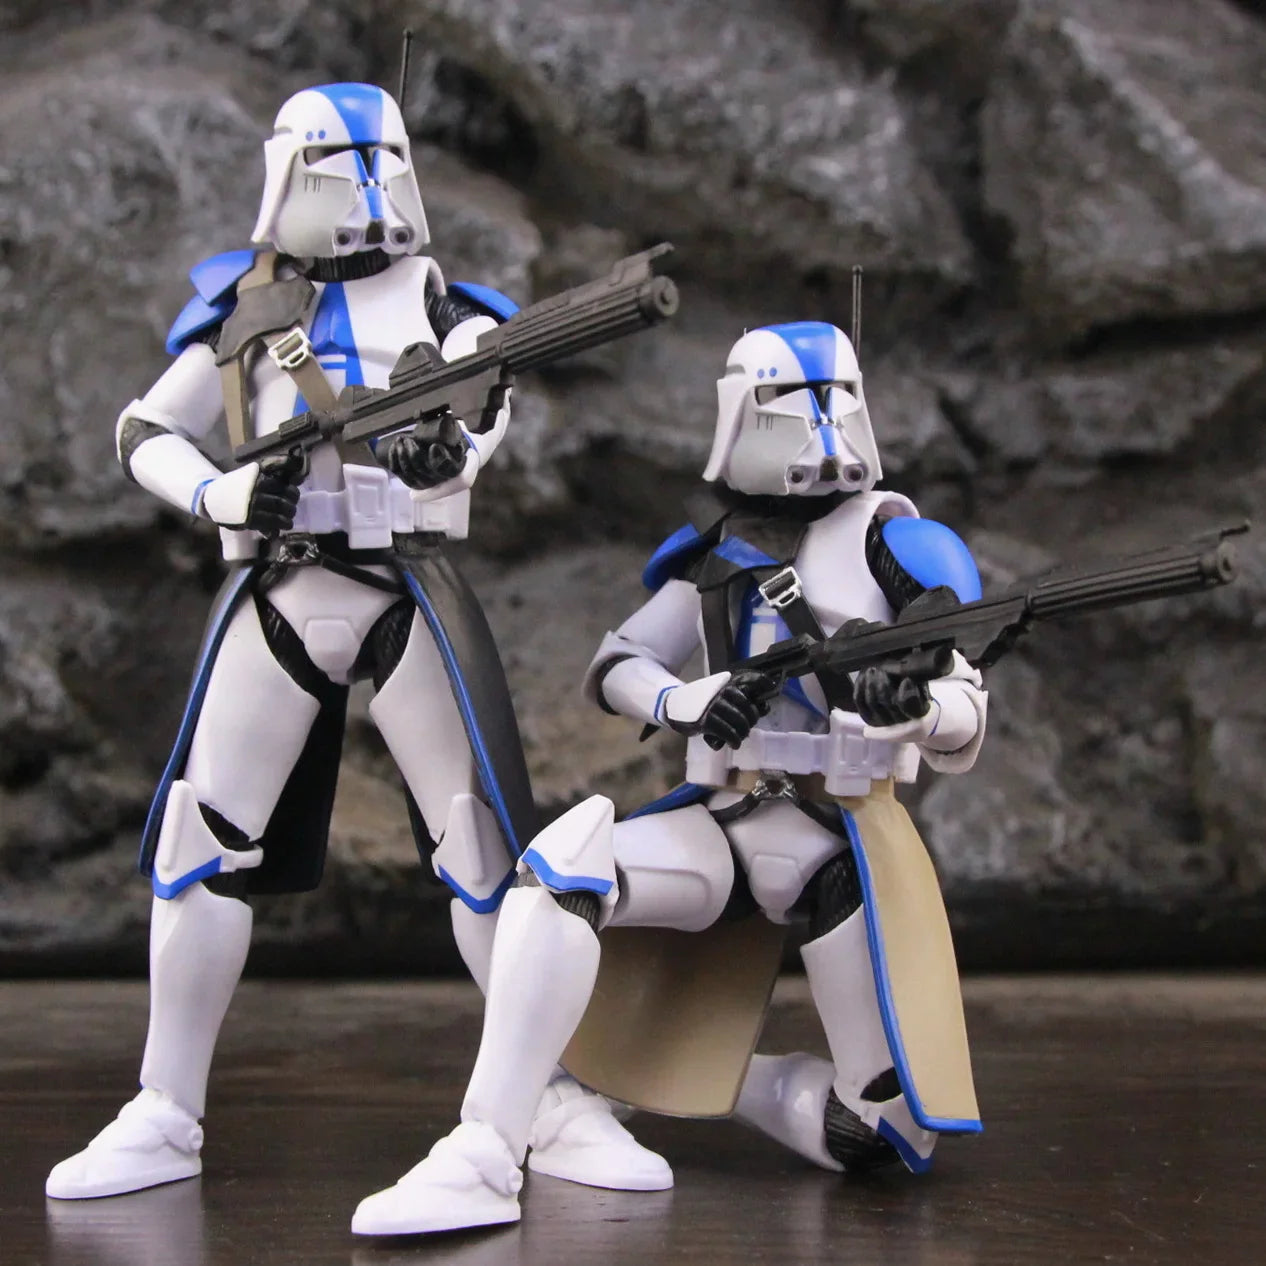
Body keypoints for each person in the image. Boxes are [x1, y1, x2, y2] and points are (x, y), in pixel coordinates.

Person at [46, 81, 666, 1203]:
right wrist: (220, 493)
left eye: (383, 164)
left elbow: (481, 413)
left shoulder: (447, 311)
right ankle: (164, 1109)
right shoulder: (242, 306)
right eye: (341, 168)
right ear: (289, 175)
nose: (368, 192)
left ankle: (547, 1096)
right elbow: (145, 427)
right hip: (282, 586)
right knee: (198, 845)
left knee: (482, 851)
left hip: (404, 587)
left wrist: (445, 452)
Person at [351, 320, 988, 1236]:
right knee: (560, 872)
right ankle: (482, 1151)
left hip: (838, 845)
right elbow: (618, 664)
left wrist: (915, 709)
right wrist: (687, 702)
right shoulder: (722, 552)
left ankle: (709, 1078)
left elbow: (965, 703)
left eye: (833, 400)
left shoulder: (899, 548)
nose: (818, 425)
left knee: (875, 1133)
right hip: (727, 824)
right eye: (793, 403)